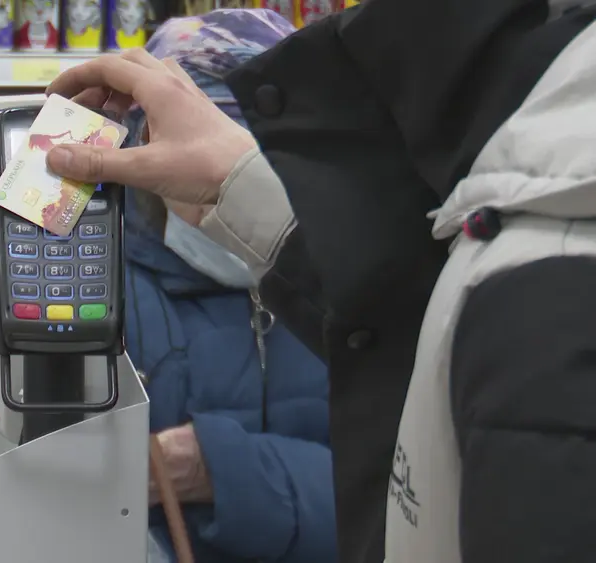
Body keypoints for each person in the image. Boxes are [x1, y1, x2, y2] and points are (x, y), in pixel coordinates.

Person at [43, 2, 596, 563]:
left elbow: (402, 483)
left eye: (265, 147)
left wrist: (219, 467)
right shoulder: (96, 289)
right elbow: (65, 494)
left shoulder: (427, 274)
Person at [124, 11, 336, 563]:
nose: (223, 195)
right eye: (199, 171)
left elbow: (406, 495)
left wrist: (220, 468)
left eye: (261, 167)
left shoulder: (357, 284)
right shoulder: (96, 292)